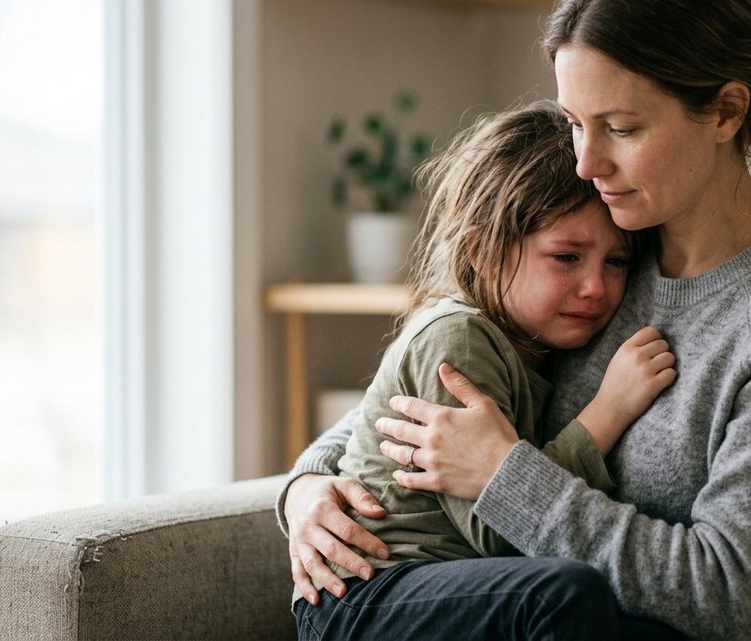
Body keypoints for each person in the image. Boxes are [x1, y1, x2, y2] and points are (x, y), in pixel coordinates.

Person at [280, 0, 751, 640]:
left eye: (621, 129)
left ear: (725, 112)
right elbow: (425, 405)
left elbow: (726, 594)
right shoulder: (603, 258)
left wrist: (505, 477)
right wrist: (308, 489)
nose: (587, 163)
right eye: (574, 124)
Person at [284, 100, 677, 640]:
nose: (597, 287)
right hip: (366, 595)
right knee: (563, 595)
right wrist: (607, 412)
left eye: (617, 262)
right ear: (483, 251)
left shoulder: (542, 340)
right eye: (566, 257)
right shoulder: (459, 339)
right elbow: (496, 530)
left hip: (447, 589)